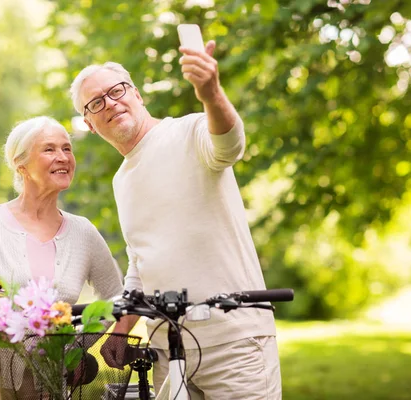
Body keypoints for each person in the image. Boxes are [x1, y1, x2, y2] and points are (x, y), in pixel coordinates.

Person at [69, 41, 280, 399]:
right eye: (96, 102)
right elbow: (142, 263)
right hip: (167, 350)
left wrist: (211, 93)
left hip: (233, 341)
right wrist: (121, 329)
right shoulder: (122, 179)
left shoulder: (190, 131)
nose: (111, 103)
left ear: (136, 94)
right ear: (89, 123)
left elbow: (230, 145)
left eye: (117, 91)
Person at [0, 116, 124, 400]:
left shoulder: (83, 232)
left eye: (67, 149)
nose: (63, 157)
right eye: (49, 149)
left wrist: (78, 345)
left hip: (46, 382)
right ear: (21, 165)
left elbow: (115, 296)